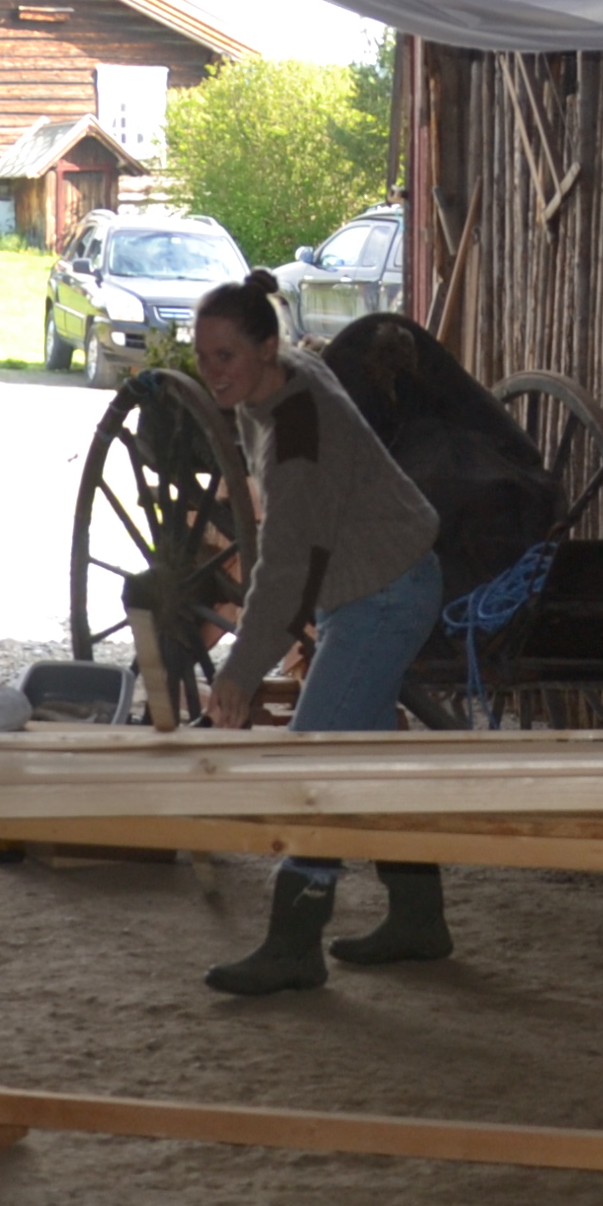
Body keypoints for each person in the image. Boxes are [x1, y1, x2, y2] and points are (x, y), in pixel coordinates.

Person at [189, 270, 453, 995]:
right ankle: (420, 919)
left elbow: (283, 570)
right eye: (203, 356)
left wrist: (240, 673)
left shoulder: (297, 432)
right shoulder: (281, 379)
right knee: (368, 760)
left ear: (265, 348)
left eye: (226, 356)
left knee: (314, 762)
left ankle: (294, 945)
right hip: (375, 585)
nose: (213, 372)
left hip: (385, 595)